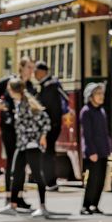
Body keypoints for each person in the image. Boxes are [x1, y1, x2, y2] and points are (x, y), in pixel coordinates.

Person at [0, 78, 51, 217]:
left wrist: (42, 136)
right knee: (16, 175)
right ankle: (13, 205)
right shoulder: (20, 103)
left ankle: (43, 207)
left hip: (31, 145)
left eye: (9, 89)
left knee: (37, 175)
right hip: (22, 145)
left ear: (13, 90)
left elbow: (45, 119)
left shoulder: (27, 104)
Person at [34, 61, 68, 190]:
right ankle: (49, 180)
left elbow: (45, 106)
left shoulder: (49, 86)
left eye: (36, 72)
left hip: (50, 126)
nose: (35, 75)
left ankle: (50, 181)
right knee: (48, 152)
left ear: (43, 72)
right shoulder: (49, 85)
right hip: (53, 124)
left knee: (47, 153)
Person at [79, 82, 112, 215]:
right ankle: (85, 205)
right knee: (92, 179)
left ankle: (95, 204)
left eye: (101, 93)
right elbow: (87, 134)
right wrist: (91, 151)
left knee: (101, 180)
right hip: (93, 152)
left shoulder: (101, 111)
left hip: (103, 150)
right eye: (98, 94)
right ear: (90, 96)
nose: (101, 96)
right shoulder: (86, 111)